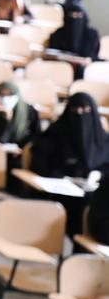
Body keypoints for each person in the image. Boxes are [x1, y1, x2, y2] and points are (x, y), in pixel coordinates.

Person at [29, 92, 109, 233]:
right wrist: (67, 178)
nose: (80, 115)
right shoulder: (54, 134)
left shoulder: (103, 140)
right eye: (75, 110)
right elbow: (40, 164)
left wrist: (98, 175)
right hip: (60, 191)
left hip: (94, 190)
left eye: (85, 110)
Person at [0, 81, 38, 148]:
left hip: (20, 150)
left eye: (10, 95)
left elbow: (35, 135)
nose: (5, 98)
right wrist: (5, 119)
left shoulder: (30, 111)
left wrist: (21, 148)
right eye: (2, 95)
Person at [48, 2, 100, 79]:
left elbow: (92, 56)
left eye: (78, 15)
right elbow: (53, 53)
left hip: (84, 67)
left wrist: (86, 60)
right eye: (72, 15)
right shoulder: (57, 34)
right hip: (62, 66)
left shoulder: (92, 35)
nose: (75, 19)